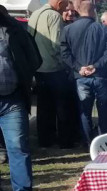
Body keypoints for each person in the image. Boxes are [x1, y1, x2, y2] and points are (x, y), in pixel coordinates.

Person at [0, 5, 42, 191]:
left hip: (12, 99)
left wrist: (24, 77)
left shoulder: (14, 29)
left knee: (18, 147)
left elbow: (35, 58)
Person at [60, 0, 107, 144]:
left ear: (78, 10)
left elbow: (64, 53)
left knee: (85, 111)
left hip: (81, 76)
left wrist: (78, 67)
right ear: (93, 11)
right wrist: (96, 66)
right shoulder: (103, 29)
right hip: (100, 75)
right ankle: (103, 142)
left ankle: (88, 142)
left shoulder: (68, 29)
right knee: (104, 111)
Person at [28, 0, 75, 149]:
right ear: (60, 3)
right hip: (54, 68)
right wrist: (67, 65)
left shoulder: (35, 14)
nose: (66, 8)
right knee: (62, 106)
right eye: (65, 5)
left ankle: (45, 140)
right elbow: (57, 44)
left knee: (44, 107)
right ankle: (65, 141)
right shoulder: (54, 16)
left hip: (39, 67)